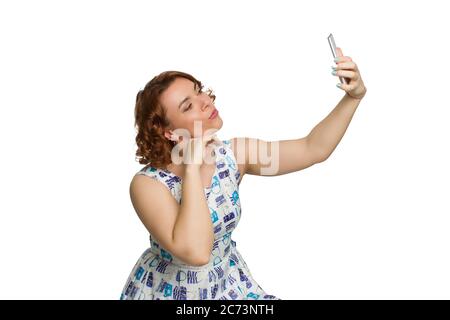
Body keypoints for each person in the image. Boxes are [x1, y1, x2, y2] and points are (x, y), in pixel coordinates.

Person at [120, 53, 367, 300]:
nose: (205, 101)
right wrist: (192, 168)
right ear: (169, 132)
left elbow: (312, 149)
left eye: (199, 91)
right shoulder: (147, 185)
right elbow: (196, 252)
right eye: (188, 105)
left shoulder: (234, 154)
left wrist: (353, 98)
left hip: (226, 284)